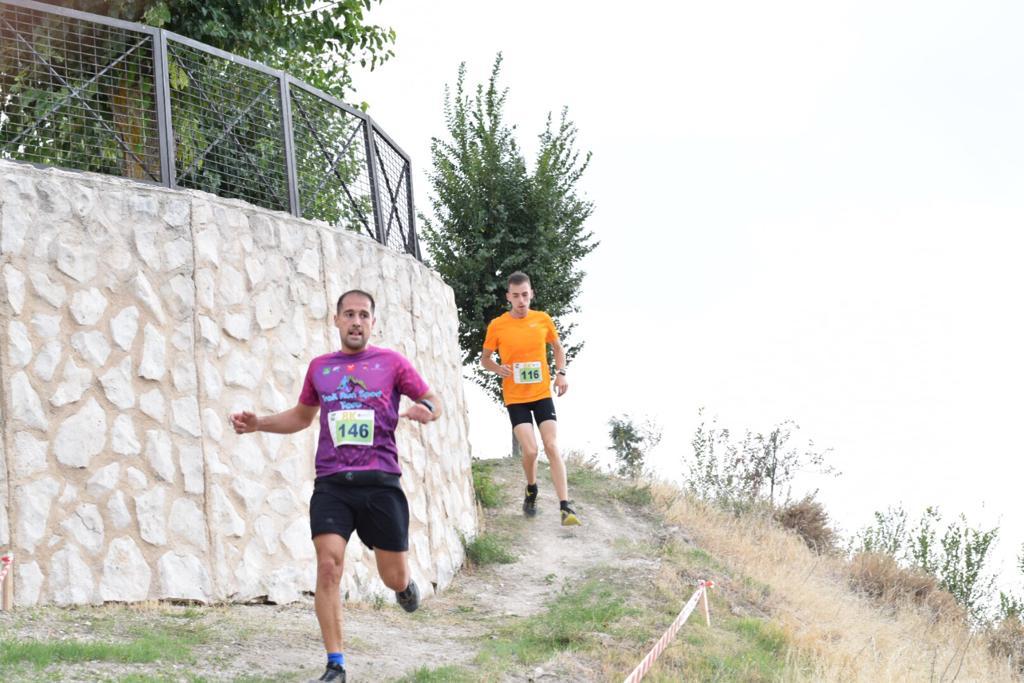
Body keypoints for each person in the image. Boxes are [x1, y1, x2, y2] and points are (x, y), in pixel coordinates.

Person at [230, 289, 441, 683]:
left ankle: (405, 585)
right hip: (333, 484)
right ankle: (336, 665)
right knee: (328, 566)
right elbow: (302, 416)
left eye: (363, 315)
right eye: (349, 314)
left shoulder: (391, 363)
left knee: (391, 576)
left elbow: (432, 399)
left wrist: (424, 410)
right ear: (336, 320)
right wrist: (259, 424)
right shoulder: (320, 368)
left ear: (372, 322)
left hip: (380, 482)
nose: (356, 321)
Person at [481, 271, 581, 526]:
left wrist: (561, 373)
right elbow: (485, 358)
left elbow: (558, 349)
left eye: (525, 295)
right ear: (508, 297)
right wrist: (497, 368)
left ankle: (565, 507)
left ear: (531, 294)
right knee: (531, 450)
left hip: (541, 394)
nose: (521, 300)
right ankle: (531, 487)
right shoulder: (498, 325)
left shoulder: (543, 320)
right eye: (516, 296)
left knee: (551, 445)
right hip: (515, 397)